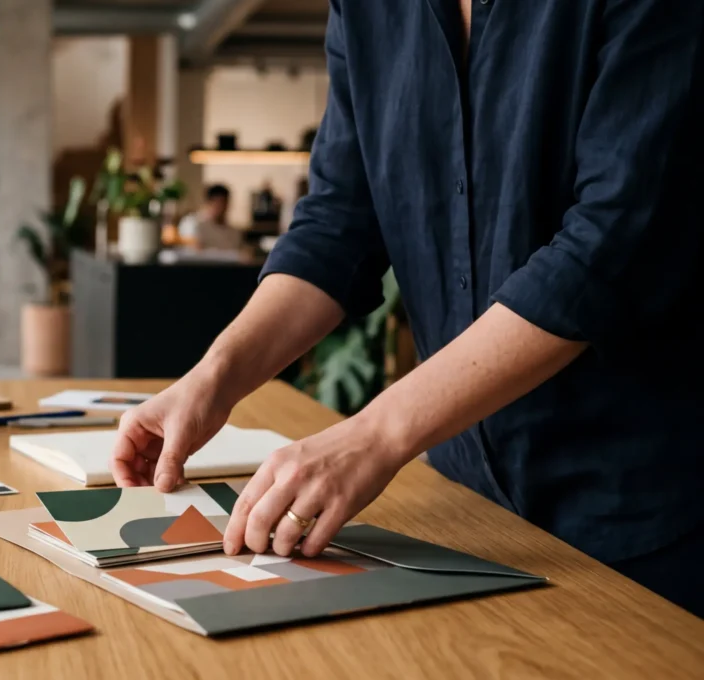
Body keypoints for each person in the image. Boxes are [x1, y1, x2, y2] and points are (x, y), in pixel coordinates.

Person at [110, 0, 704, 618]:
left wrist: (374, 435)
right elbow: (338, 223)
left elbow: (612, 246)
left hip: (646, 508)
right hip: (467, 503)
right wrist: (215, 378)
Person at [177, 184, 241, 250]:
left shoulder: (233, 233)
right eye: (217, 203)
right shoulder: (192, 223)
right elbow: (192, 251)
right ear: (208, 203)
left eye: (224, 203)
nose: (221, 208)